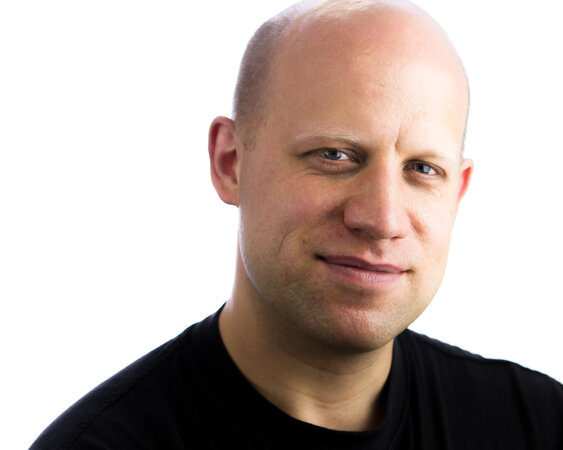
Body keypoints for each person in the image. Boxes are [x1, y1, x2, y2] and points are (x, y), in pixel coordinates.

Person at [30, 0, 563, 448]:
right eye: (334, 155)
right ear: (230, 163)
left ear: (457, 193)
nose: (382, 219)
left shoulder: (536, 423)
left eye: (423, 170)